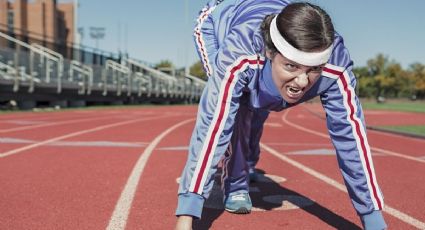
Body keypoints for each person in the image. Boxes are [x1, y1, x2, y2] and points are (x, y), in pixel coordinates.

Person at [175, 1, 387, 229]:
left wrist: (372, 216)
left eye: (313, 69)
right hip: (218, 24)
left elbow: (351, 139)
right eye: (291, 66)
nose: (302, 82)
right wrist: (188, 210)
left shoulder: (336, 67)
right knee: (236, 109)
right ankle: (236, 184)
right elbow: (214, 126)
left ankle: (248, 161)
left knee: (262, 106)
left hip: (268, 36)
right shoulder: (239, 53)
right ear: (270, 52)